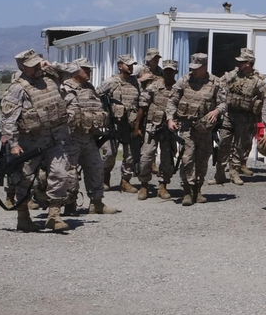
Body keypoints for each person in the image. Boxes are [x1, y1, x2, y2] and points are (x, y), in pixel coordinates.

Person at [0, 50, 75, 232]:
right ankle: (23, 217)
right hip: (29, 143)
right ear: (22, 67)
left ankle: (54, 216)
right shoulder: (18, 88)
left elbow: (74, 69)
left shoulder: (51, 77)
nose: (36, 68)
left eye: (37, 63)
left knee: (61, 175)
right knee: (25, 181)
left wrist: (52, 66)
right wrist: (14, 144)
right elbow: (8, 120)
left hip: (54, 140)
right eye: (32, 65)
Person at [63, 59, 121, 215]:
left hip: (89, 138)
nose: (89, 72)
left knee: (96, 168)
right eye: (85, 69)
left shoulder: (90, 88)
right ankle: (69, 204)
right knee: (70, 173)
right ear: (76, 70)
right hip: (71, 139)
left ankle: (96, 203)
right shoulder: (65, 88)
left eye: (89, 70)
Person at [166, 53, 225, 207]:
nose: (194, 71)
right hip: (187, 127)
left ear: (205, 67)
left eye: (197, 68)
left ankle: (198, 190)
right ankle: (186, 191)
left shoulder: (216, 83)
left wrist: (217, 111)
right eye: (192, 68)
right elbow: (172, 101)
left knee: (202, 158)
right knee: (187, 158)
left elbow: (224, 103)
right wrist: (170, 119)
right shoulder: (184, 81)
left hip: (205, 129)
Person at [215, 48, 266, 186]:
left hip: (245, 118)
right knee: (223, 143)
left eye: (242, 62)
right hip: (229, 115)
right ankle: (219, 173)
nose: (239, 64)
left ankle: (234, 173)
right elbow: (218, 86)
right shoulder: (232, 75)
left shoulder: (258, 81)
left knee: (239, 146)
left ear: (249, 63)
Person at [97, 54, 144, 193]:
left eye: (131, 65)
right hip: (113, 123)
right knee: (110, 153)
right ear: (120, 66)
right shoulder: (111, 82)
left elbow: (142, 100)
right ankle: (105, 178)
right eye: (127, 64)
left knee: (130, 154)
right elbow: (95, 95)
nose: (130, 67)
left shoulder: (136, 82)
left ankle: (125, 181)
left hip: (130, 124)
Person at [136, 59, 180, 199]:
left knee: (167, 159)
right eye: (166, 70)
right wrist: (137, 127)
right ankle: (144, 186)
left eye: (171, 71)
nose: (168, 73)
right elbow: (143, 106)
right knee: (146, 157)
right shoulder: (154, 86)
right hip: (152, 126)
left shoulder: (179, 88)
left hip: (169, 129)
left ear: (175, 72)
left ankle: (163, 186)